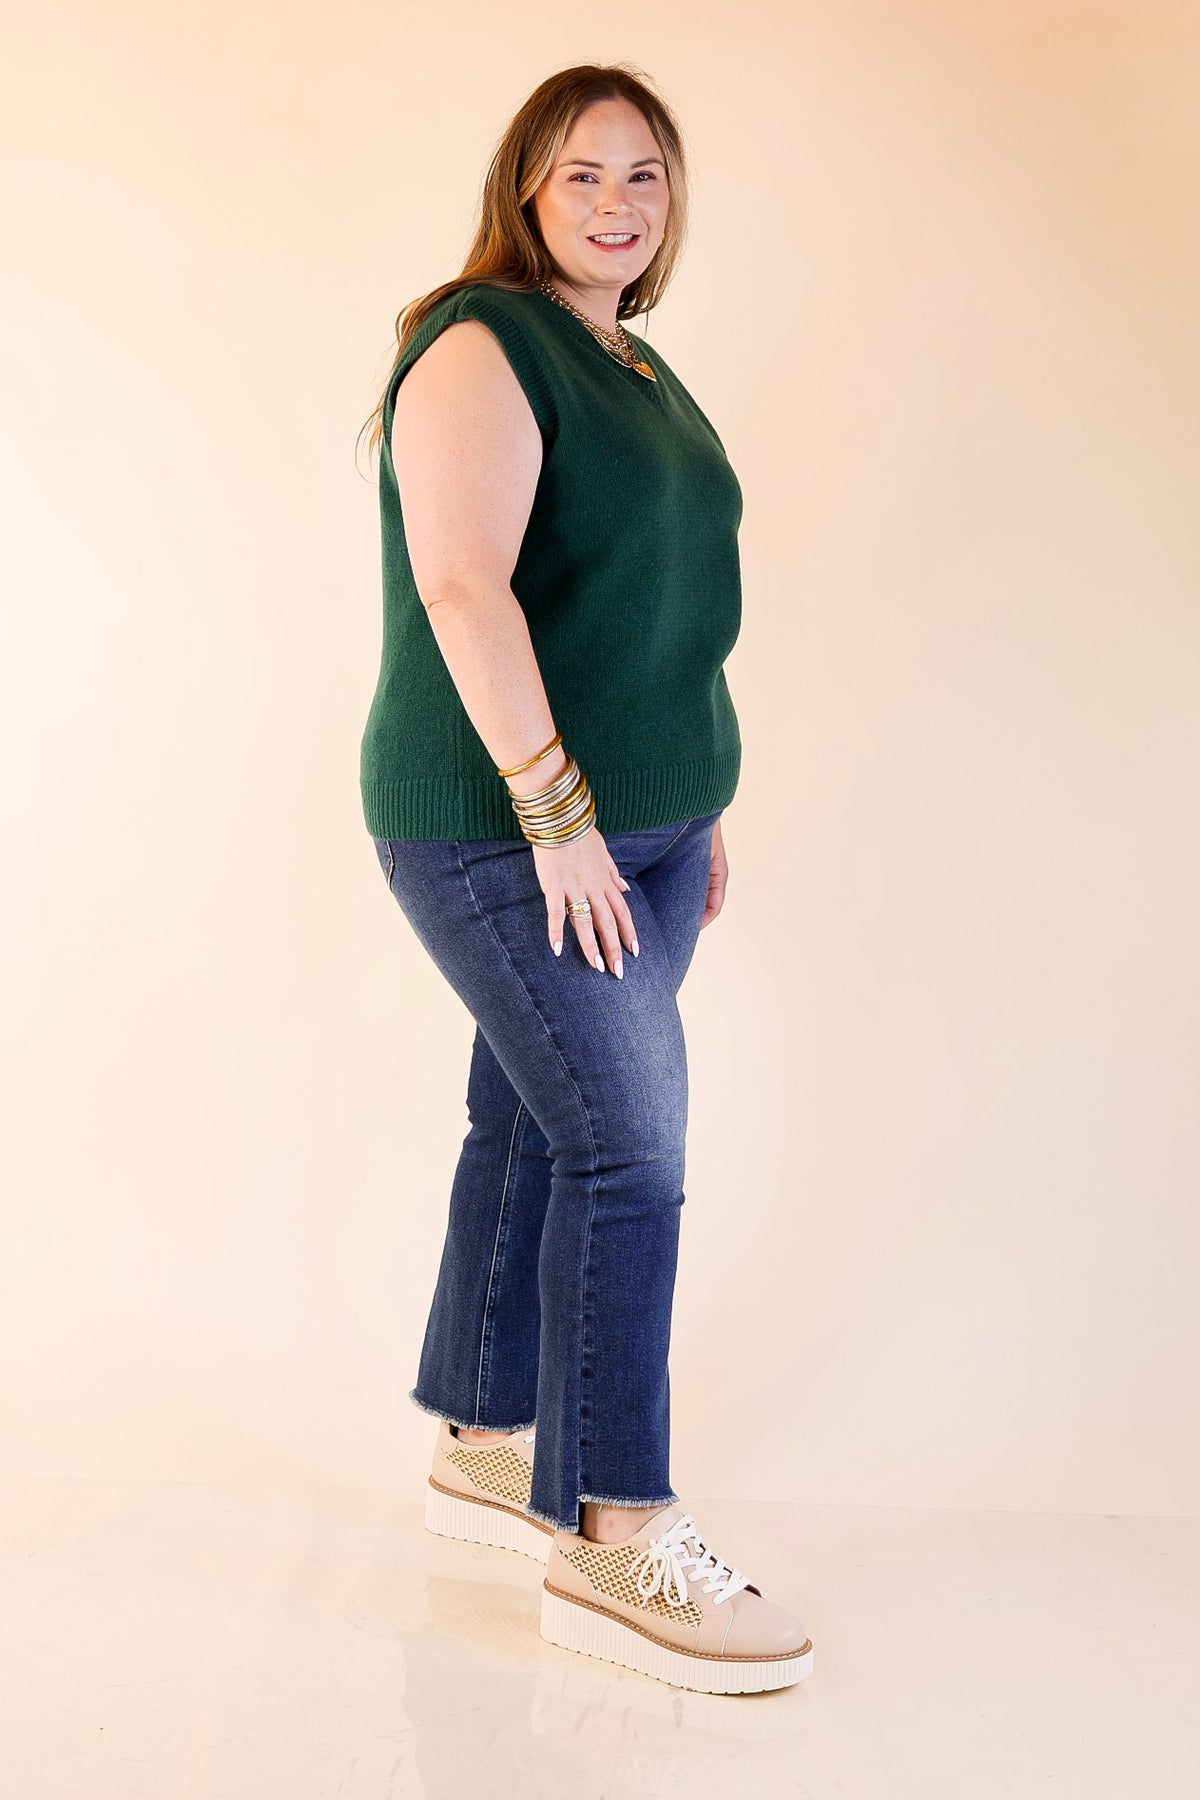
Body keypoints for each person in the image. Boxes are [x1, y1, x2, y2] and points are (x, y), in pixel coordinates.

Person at [357, 62, 813, 1695]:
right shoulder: (480, 343)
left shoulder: (635, 360)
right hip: (506, 826)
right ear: (525, 194)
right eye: (581, 176)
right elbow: (465, 590)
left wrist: (691, 805)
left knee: (531, 1119)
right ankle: (616, 1536)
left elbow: (650, 607)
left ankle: (484, 1445)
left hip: (651, 833)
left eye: (645, 176)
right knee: (630, 1147)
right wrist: (559, 819)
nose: (618, 204)